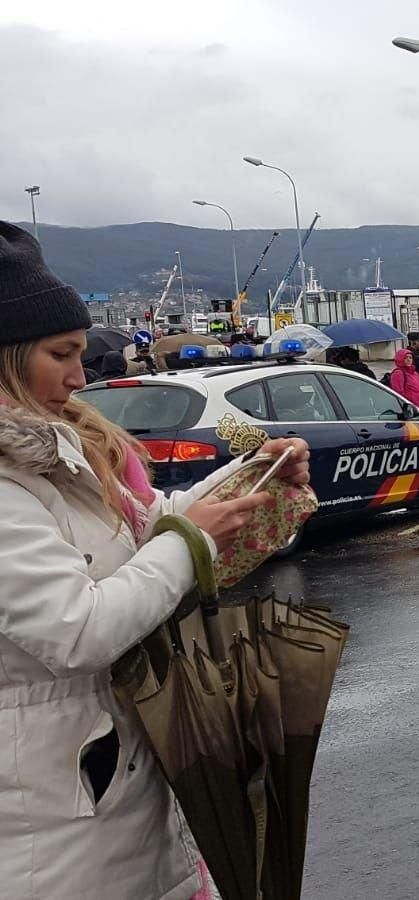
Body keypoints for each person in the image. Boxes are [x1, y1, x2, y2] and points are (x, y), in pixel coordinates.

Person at [0, 220, 311, 900]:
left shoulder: (49, 454)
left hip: (107, 799)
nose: (81, 377)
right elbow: (77, 630)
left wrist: (248, 476)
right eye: (61, 354)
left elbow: (143, 532)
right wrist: (189, 542)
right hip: (59, 831)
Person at [389, 348, 419, 412]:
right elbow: (398, 393)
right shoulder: (398, 373)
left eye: (410, 358)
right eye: (405, 358)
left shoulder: (415, 373)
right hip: (410, 409)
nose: (408, 360)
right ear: (400, 359)